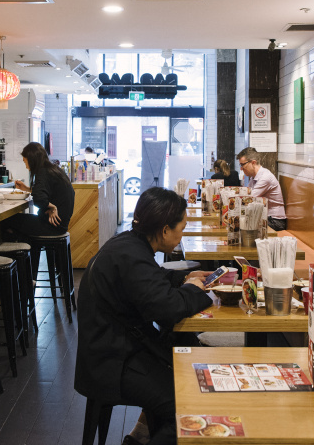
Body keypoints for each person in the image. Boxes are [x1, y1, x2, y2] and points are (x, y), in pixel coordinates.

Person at [74, 187, 212, 445]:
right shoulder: (132, 255)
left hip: (111, 349)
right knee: (187, 406)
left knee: (184, 366)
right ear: (165, 230)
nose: (182, 236)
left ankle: (141, 435)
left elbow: (150, 278)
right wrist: (194, 289)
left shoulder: (129, 244)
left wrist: (185, 277)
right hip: (113, 363)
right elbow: (168, 309)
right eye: (181, 229)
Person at [4, 142, 75, 278]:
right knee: (24, 233)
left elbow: (39, 200)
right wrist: (27, 189)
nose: (25, 165)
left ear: (31, 159)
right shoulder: (54, 169)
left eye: (25, 161)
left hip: (51, 226)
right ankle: (29, 276)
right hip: (60, 225)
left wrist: (52, 206)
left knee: (8, 221)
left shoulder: (42, 172)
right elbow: (45, 193)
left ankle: (22, 276)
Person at [236, 147, 287, 232]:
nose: (241, 168)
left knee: (242, 226)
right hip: (265, 218)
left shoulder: (265, 177)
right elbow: (246, 196)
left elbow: (248, 199)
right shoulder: (253, 177)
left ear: (253, 162)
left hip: (275, 221)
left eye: (242, 165)